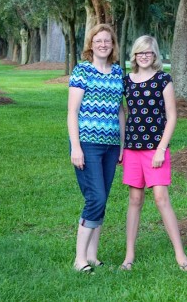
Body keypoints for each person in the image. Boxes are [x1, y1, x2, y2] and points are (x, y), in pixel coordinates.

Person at [120, 35, 187, 271]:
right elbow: (122, 113)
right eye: (140, 52)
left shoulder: (163, 80)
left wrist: (161, 149)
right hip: (132, 148)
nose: (144, 56)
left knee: (161, 198)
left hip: (155, 149)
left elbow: (172, 116)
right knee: (135, 199)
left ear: (155, 55)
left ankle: (180, 255)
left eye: (148, 53)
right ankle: (129, 256)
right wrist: (121, 146)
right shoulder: (126, 81)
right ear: (134, 55)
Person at [67, 24, 125, 273]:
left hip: (111, 145)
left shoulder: (118, 73)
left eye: (107, 41)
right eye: (98, 40)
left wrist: (122, 144)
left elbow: (121, 110)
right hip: (87, 144)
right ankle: (79, 259)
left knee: (102, 200)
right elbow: (72, 112)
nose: (103, 44)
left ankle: (92, 255)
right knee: (96, 197)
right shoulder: (82, 71)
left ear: (113, 45)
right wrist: (76, 147)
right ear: (91, 44)